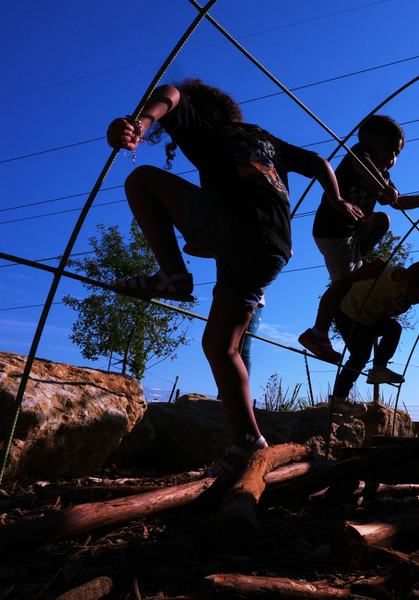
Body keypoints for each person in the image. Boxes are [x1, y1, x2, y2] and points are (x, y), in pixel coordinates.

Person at [106, 79, 361, 475]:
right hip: (274, 249)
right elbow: (316, 162)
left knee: (140, 181)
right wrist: (336, 198)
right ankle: (247, 443)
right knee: (220, 344)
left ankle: (172, 275)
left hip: (237, 226)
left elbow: (171, 92)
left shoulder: (210, 132)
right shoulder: (267, 141)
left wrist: (139, 124)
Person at [299, 115, 419, 363]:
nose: (392, 157)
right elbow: (362, 165)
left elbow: (398, 202)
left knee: (383, 220)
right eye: (389, 148)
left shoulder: (382, 176)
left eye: (397, 153)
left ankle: (357, 265)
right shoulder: (360, 155)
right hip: (333, 229)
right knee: (342, 284)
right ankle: (317, 334)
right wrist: (382, 185)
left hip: (351, 233)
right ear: (368, 140)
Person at [329, 244, 419, 413]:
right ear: (415, 283)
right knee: (360, 356)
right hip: (348, 311)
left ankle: (378, 369)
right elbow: (409, 274)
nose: (416, 301)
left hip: (367, 320)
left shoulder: (405, 304)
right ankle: (338, 398)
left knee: (394, 328)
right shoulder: (397, 277)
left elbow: (384, 316)